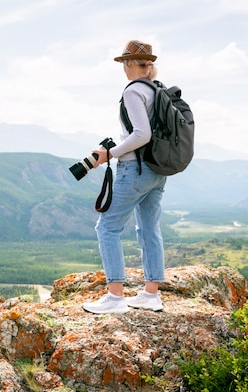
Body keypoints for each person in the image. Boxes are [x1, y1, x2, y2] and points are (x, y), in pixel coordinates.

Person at [82, 40, 167, 314]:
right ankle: (150, 295)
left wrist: (111, 154)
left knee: (107, 227)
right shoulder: (158, 90)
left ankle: (115, 297)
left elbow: (142, 134)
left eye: (124, 64)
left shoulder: (133, 91)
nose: (124, 69)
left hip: (136, 169)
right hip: (158, 170)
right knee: (149, 228)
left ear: (129, 64)